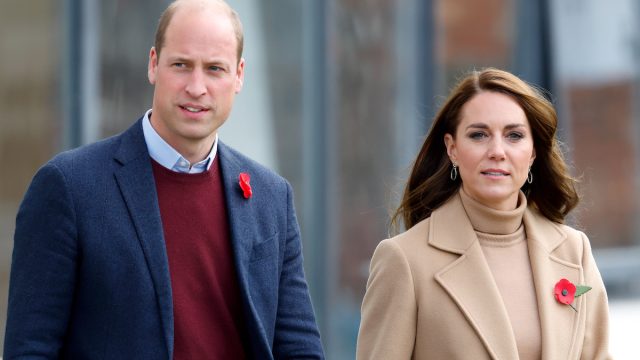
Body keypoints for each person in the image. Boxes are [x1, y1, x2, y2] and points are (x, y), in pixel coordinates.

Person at [3, 0, 324, 358]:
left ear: (239, 76)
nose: (196, 87)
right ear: (154, 64)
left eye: (215, 68)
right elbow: (29, 349)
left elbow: (300, 349)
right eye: (181, 65)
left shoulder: (271, 197)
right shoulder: (68, 188)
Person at [356, 68, 611, 359]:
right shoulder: (404, 260)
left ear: (533, 153)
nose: (497, 151)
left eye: (514, 135)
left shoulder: (573, 250)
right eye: (479, 135)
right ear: (452, 149)